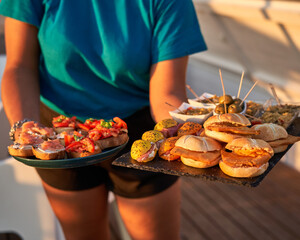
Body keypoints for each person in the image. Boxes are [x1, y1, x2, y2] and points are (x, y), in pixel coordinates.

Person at [0, 1, 207, 239]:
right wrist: (25, 129)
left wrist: (178, 131)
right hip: (57, 132)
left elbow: (166, 91)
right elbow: (19, 66)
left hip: (140, 131)